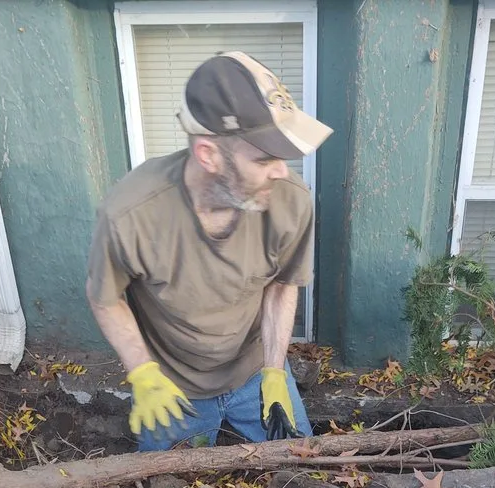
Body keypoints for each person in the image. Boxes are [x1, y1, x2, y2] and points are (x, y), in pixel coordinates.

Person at [85, 51, 333, 451]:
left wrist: (274, 373)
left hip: (256, 374)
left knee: (301, 470)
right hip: (175, 388)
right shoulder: (131, 214)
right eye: (266, 157)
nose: (282, 170)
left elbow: (282, 286)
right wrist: (143, 374)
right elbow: (105, 299)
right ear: (209, 155)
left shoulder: (290, 202)